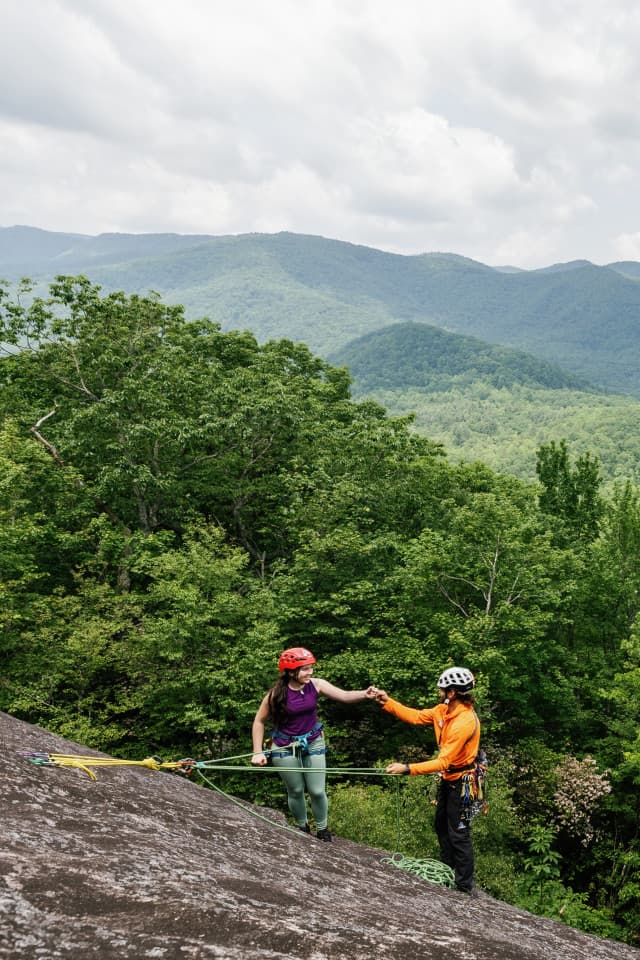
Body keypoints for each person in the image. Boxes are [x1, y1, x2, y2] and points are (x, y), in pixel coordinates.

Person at [370, 666, 480, 895]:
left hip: (463, 781)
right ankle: (447, 871)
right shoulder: (443, 711)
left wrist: (407, 769)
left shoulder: (464, 721)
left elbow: (443, 762)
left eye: (443, 690)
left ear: (452, 693)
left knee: (459, 833)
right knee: (441, 826)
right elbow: (417, 716)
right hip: (449, 779)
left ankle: (463, 886)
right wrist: (387, 701)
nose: (439, 692)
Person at [251, 646, 371, 841]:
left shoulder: (316, 685)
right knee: (296, 790)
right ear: (291, 672)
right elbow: (259, 721)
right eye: (305, 669)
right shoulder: (276, 695)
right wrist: (257, 752)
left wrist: (365, 694)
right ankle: (302, 827)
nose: (310, 672)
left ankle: (323, 830)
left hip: (313, 741)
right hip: (284, 746)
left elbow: (345, 696)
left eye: (311, 667)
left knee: (316, 790)